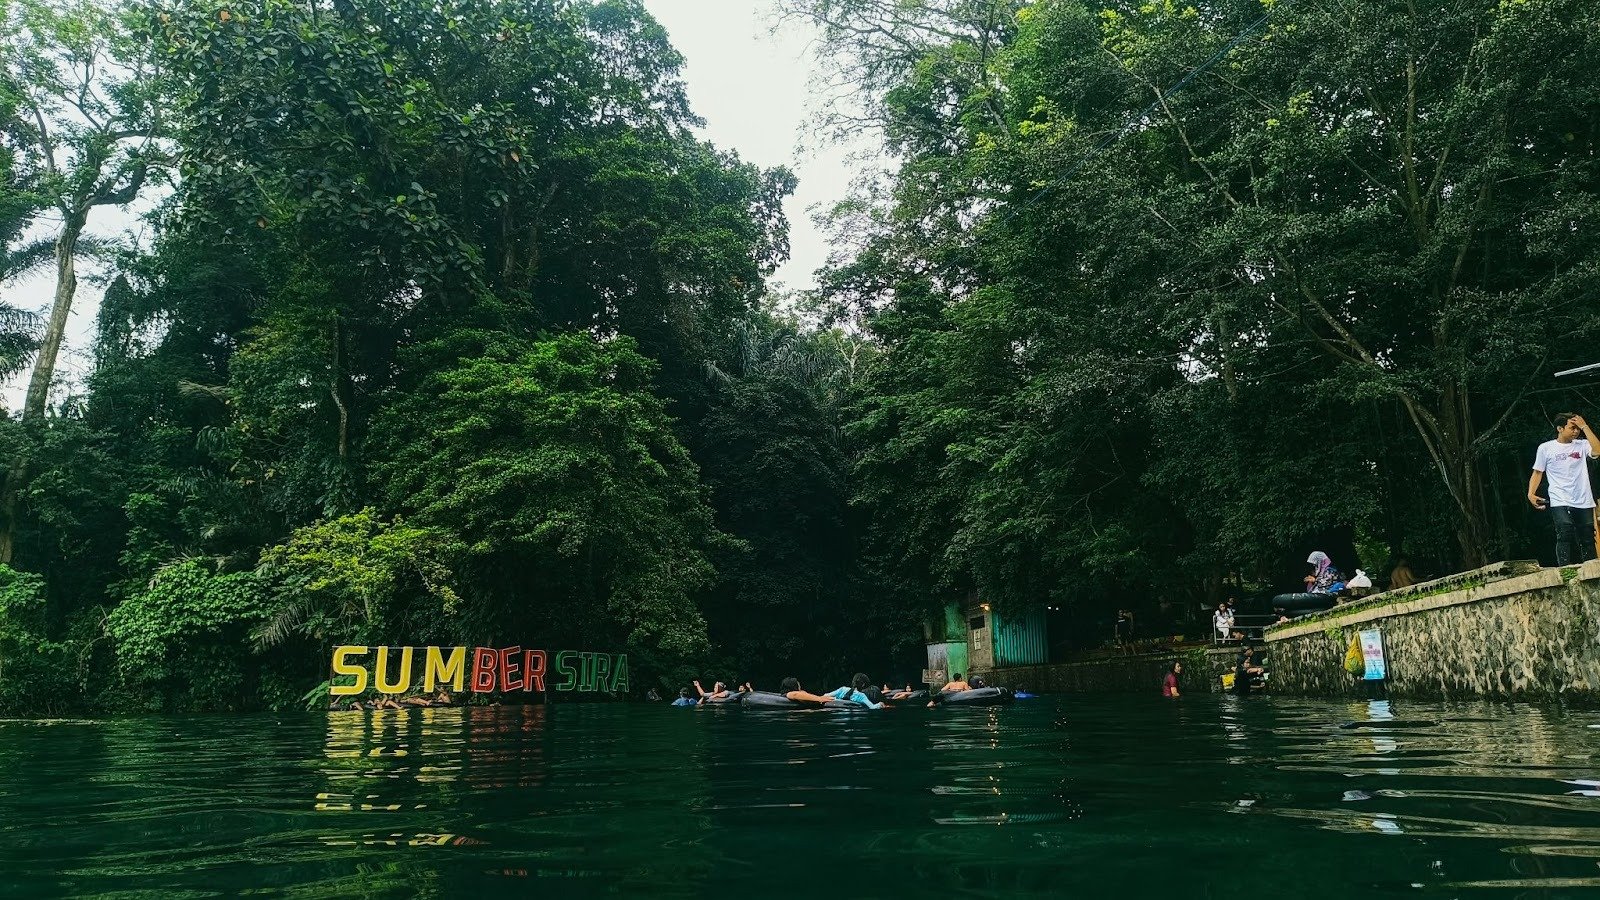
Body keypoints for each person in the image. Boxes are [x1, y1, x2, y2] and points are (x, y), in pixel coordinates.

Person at [1529, 412, 1600, 566]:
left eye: (1577, 428)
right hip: (1559, 497)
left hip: (1583, 498)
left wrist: (1585, 427)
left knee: (1587, 536)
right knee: (1565, 531)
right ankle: (1564, 569)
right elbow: (1538, 471)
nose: (1576, 431)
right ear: (1560, 428)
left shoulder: (1582, 445)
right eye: (1572, 428)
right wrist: (1531, 493)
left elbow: (1598, 450)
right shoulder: (1546, 448)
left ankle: (1592, 569)